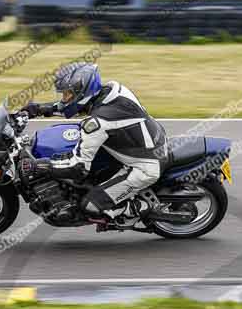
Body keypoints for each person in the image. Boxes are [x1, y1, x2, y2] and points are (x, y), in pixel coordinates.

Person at [19, 62, 167, 218]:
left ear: (83, 92)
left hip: (145, 167)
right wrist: (42, 109)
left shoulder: (98, 122)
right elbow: (78, 105)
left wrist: (41, 165)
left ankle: (139, 208)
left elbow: (78, 167)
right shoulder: (112, 91)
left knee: (90, 205)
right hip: (148, 142)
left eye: (67, 94)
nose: (65, 98)